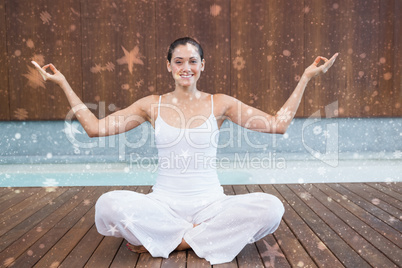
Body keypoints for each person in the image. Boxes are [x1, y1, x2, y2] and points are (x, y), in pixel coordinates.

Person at [32, 37, 338, 264]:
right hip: (163, 204)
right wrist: (62, 84)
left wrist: (305, 78)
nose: (186, 67)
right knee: (107, 204)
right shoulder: (151, 104)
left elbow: (276, 125)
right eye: (178, 61)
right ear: (168, 66)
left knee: (272, 207)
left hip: (211, 206)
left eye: (193, 60)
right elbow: (95, 129)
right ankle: (201, 239)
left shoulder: (221, 103)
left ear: (202, 65)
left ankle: (171, 241)